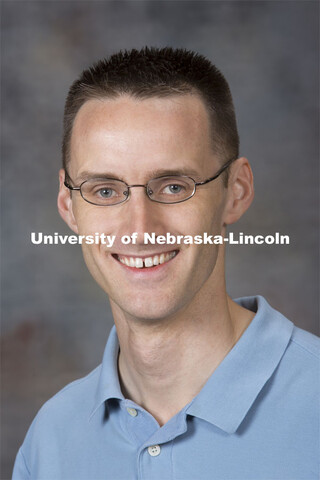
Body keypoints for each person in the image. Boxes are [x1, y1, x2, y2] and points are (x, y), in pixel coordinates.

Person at [13, 47, 319, 480]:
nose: (140, 229)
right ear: (68, 205)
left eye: (174, 186)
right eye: (105, 190)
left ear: (237, 190)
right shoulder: (52, 439)